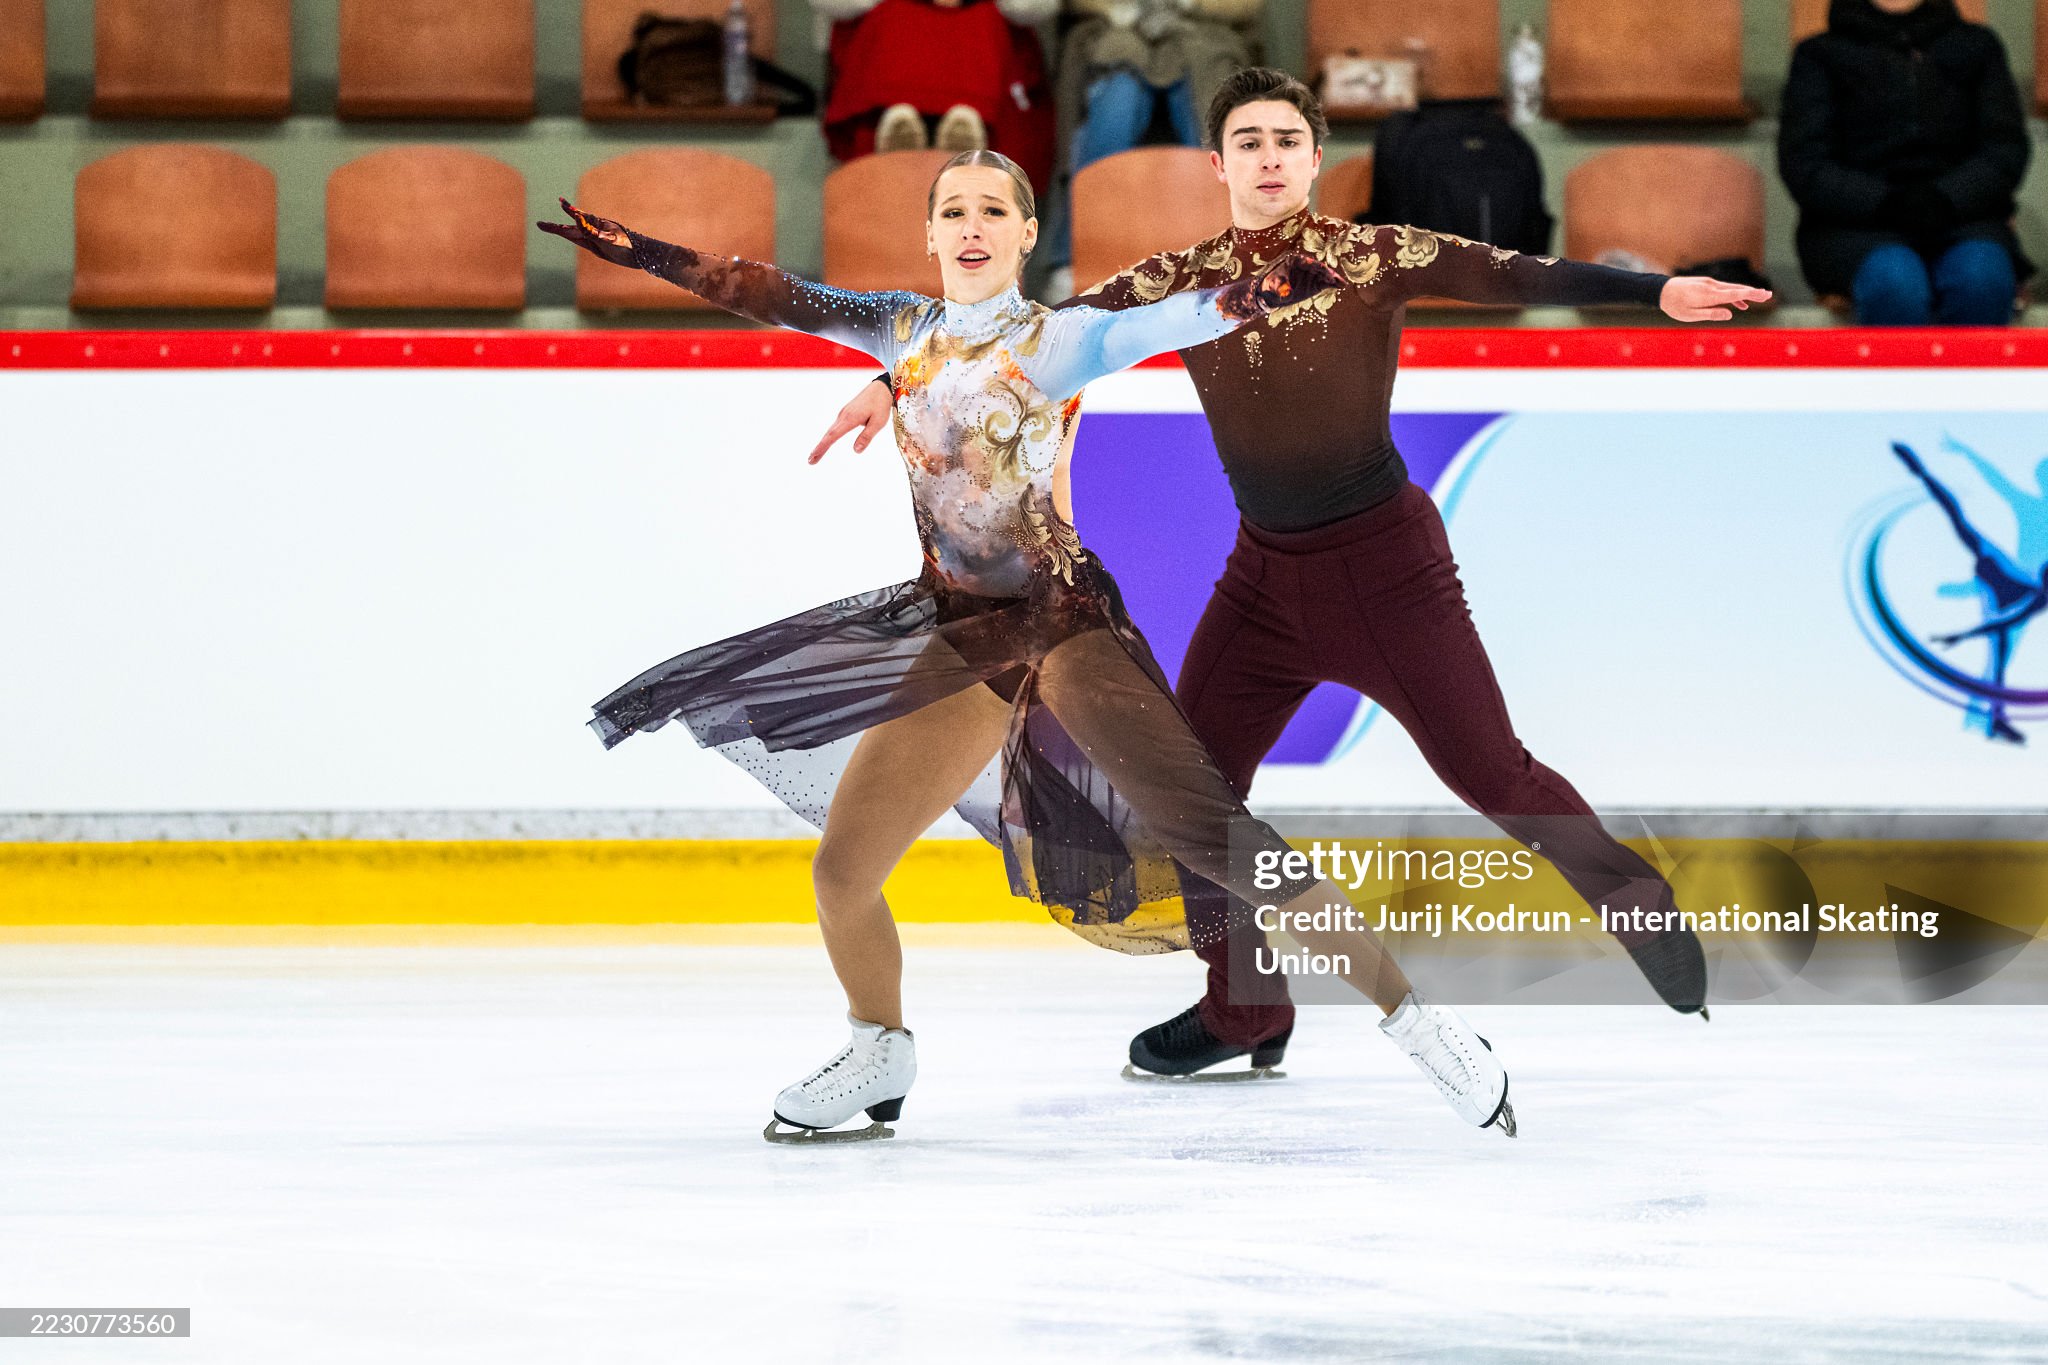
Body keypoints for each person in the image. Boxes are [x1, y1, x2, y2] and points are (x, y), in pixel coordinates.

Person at [540, 150, 1519, 1143]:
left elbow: (1191, 316)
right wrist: (642, 252)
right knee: (842, 868)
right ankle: (879, 1049)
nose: (972, 225)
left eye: (993, 210)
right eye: (953, 211)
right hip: (961, 632)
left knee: (1220, 840)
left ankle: (1423, 1026)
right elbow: (765, 291)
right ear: (929, 235)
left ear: (1024, 234)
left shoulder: (1061, 341)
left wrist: (1305, 273)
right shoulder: (899, 329)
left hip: (1059, 625)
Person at [811, 69, 1765, 1080]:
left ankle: (1634, 901)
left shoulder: (1370, 256)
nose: (1268, 158)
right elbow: (1030, 339)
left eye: (1285, 141)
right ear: (1217, 164)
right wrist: (889, 379)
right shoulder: (1179, 281)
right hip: (1263, 580)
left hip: (1388, 573)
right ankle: (1245, 1008)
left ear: (1314, 160)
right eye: (1248, 142)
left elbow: (1513, 273)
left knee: (1491, 774)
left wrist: (1653, 292)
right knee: (1198, 795)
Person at [1779, 0, 2032, 325]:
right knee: (1895, 285)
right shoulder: (1819, 54)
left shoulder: (1978, 46)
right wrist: (1884, 202)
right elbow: (1806, 164)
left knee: (1981, 279)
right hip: (1854, 227)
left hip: (1965, 220)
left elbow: (2004, 149)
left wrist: (1946, 198)